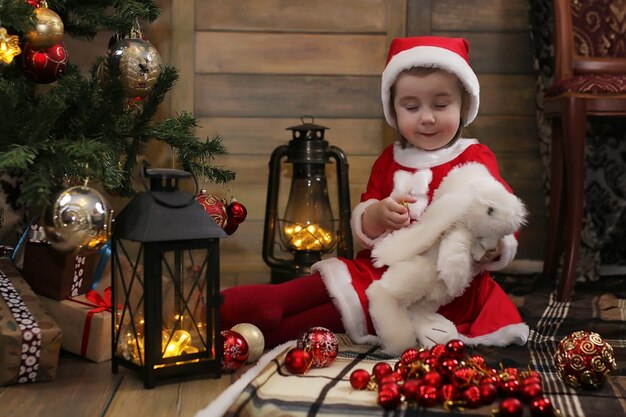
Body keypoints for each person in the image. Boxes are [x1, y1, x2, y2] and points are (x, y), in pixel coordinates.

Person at [221, 36, 529, 350]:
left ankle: (266, 332)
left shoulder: (474, 158)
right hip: (380, 267)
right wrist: (377, 215)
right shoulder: (388, 160)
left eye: (441, 104)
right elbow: (366, 223)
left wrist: (496, 246)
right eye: (411, 106)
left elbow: (503, 213)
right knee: (333, 283)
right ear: (393, 111)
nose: (426, 117)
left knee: (347, 308)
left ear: (464, 105)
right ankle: (274, 298)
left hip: (443, 288)